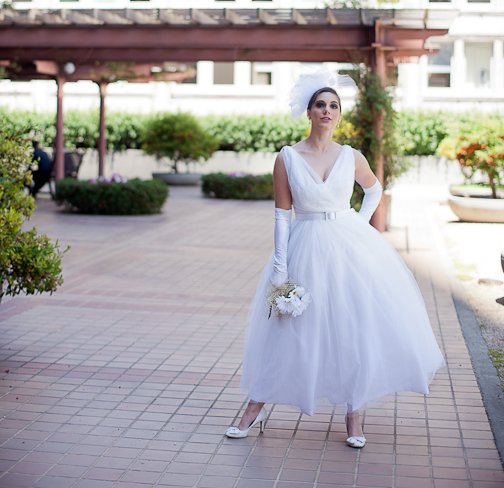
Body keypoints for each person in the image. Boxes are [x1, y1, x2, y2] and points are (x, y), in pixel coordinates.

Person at [225, 71, 445, 448]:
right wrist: (280, 269)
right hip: (305, 244)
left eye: (333, 106)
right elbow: (282, 215)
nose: (327, 111)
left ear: (339, 115)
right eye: (320, 105)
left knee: (353, 326)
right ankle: (255, 407)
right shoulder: (288, 158)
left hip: (349, 247)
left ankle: (354, 414)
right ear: (308, 112)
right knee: (288, 328)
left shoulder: (351, 156)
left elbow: (374, 192)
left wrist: (356, 226)